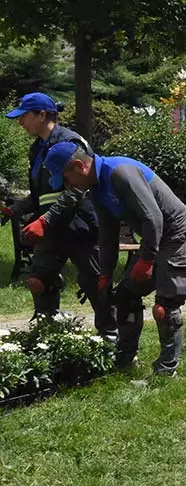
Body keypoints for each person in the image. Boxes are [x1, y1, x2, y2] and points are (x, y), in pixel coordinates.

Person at [45, 143, 186, 375]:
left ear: (80, 166)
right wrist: (105, 276)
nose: (68, 186)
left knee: (165, 307)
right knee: (125, 296)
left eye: (67, 179)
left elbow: (153, 218)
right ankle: (126, 359)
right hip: (155, 238)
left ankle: (167, 372)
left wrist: (146, 261)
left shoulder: (120, 172)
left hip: (178, 234)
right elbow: (107, 235)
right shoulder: (96, 189)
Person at [4, 92, 115, 337]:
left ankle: (112, 336)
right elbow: (41, 195)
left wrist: (45, 220)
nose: (20, 123)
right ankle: (48, 334)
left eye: (23, 117)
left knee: (94, 282)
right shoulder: (37, 150)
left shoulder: (71, 143)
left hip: (79, 225)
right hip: (51, 227)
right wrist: (16, 209)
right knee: (38, 281)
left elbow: (77, 189)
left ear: (41, 115)